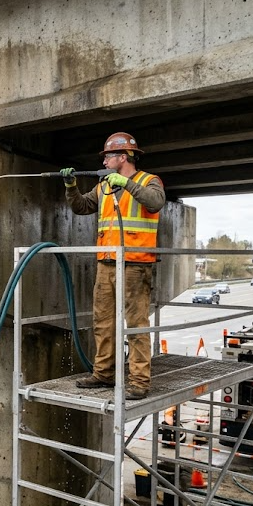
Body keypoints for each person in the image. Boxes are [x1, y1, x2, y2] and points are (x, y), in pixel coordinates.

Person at [60, 132, 165, 400]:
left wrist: (126, 183)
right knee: (103, 321)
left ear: (123, 157)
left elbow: (155, 202)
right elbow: (81, 207)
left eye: (108, 156)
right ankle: (104, 373)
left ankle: (139, 381)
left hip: (134, 264)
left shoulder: (149, 181)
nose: (104, 161)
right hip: (106, 264)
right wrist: (71, 186)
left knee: (136, 324)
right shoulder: (104, 186)